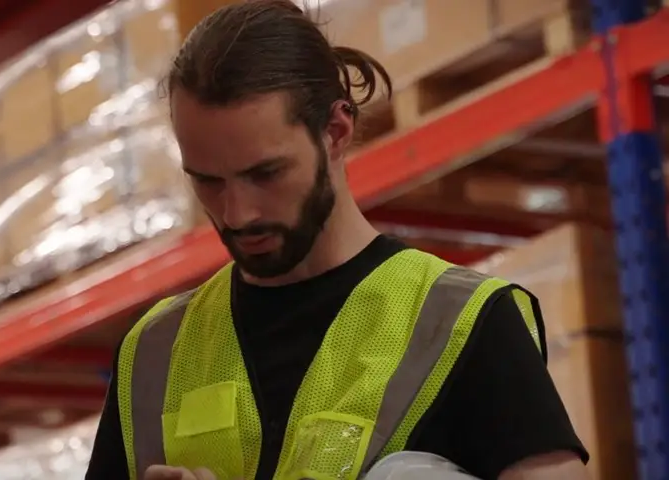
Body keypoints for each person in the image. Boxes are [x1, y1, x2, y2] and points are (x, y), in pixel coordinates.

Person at [86, 1, 590, 479]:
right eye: (207, 182)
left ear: (335, 130)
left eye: (266, 174)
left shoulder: (462, 322)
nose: (237, 214)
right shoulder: (153, 355)